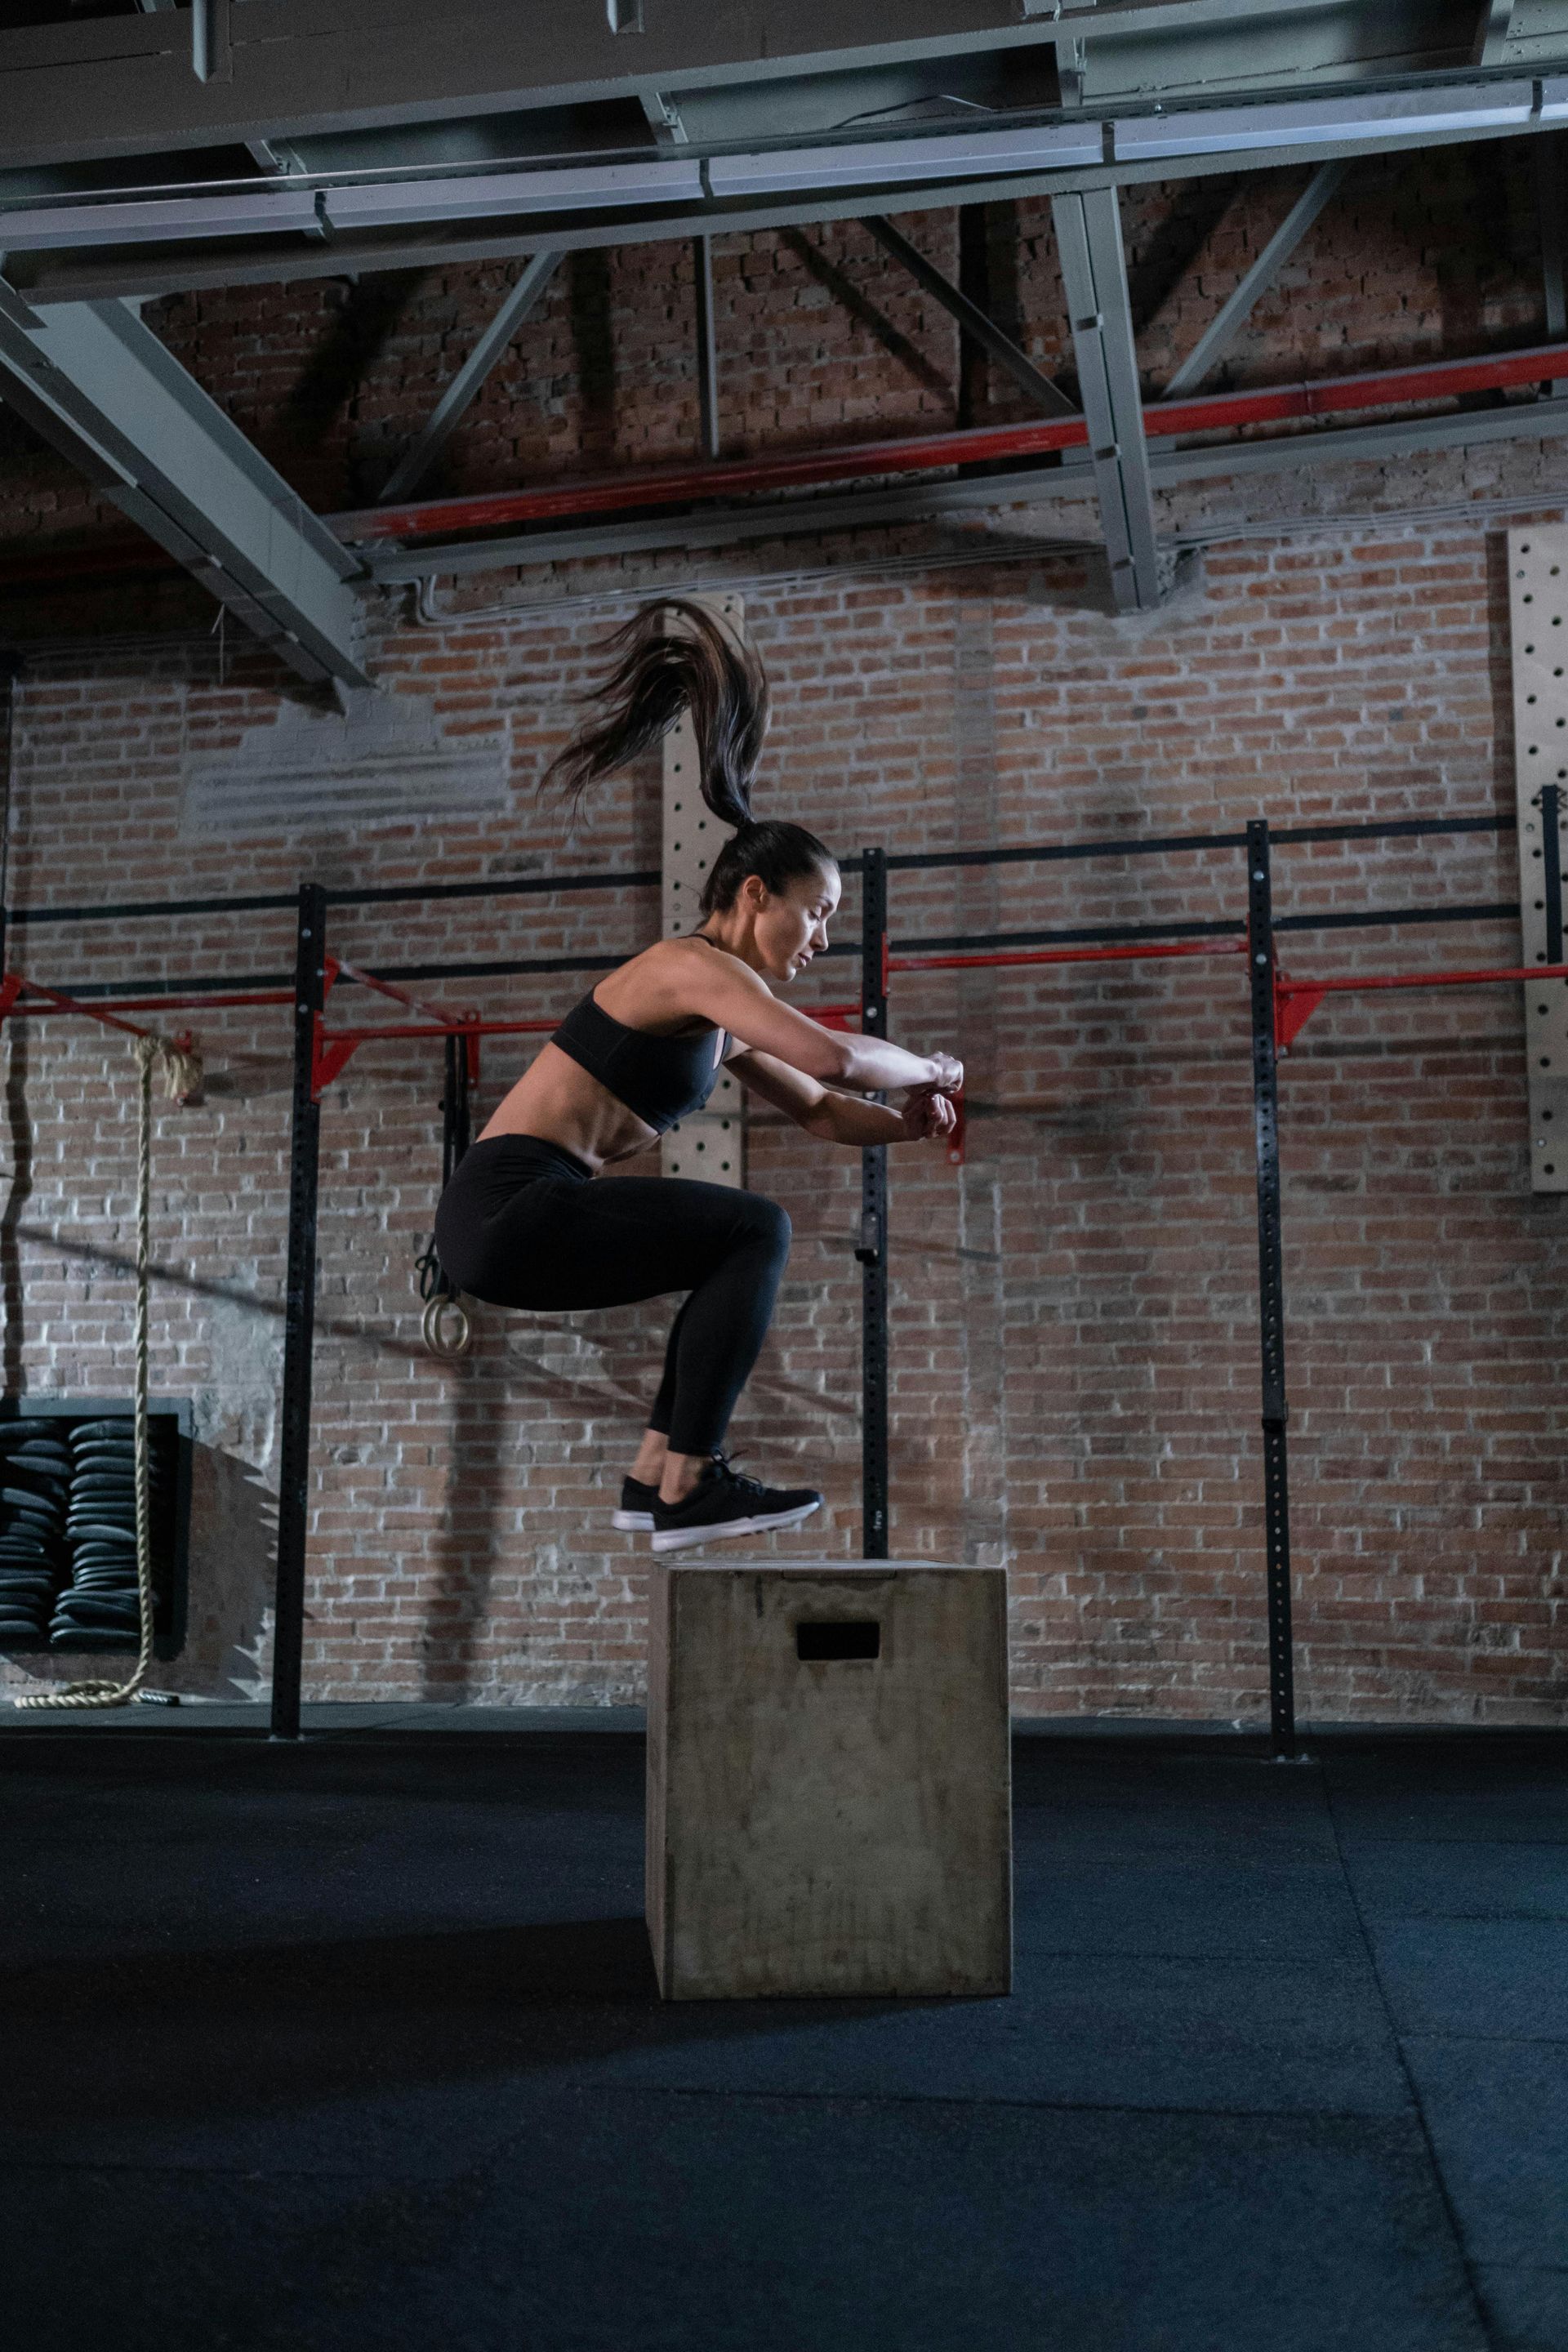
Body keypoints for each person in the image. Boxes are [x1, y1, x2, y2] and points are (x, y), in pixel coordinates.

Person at [433, 599, 963, 1553]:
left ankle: (654, 1483)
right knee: (752, 1228)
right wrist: (930, 1064)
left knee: (730, 1245)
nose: (823, 938)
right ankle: (690, 1482)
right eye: (816, 913)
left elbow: (827, 1112)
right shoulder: (687, 967)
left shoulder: (722, 1014)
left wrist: (909, 1125)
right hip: (505, 1208)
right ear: (754, 895)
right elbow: (838, 1057)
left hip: (514, 1221)